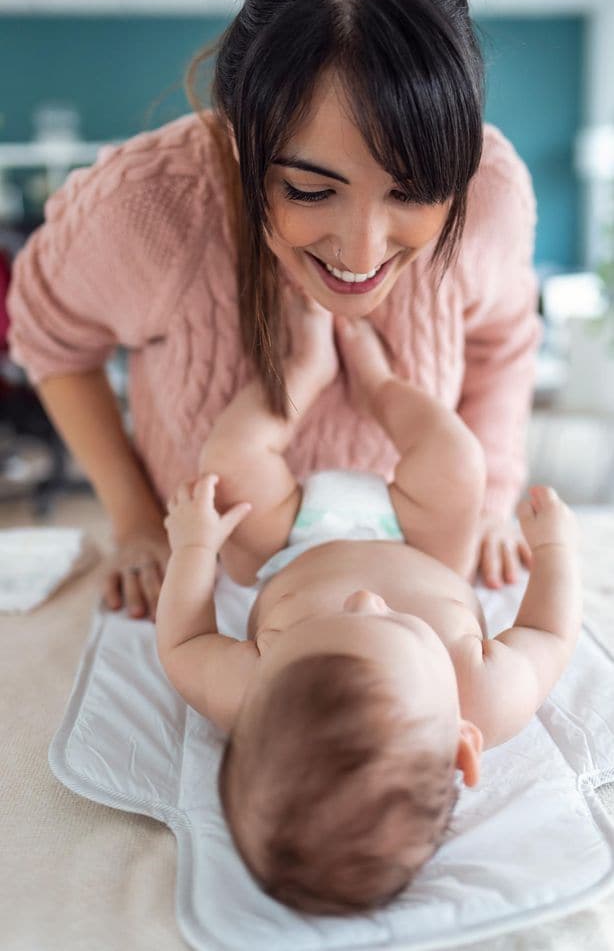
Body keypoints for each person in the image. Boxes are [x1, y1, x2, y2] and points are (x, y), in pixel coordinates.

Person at [7, 0, 540, 620]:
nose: (360, 254)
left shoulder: (490, 191)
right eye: (312, 191)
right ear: (241, 135)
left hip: (410, 579)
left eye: (410, 193)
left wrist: (494, 501)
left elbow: (503, 343)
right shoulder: (145, 209)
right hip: (222, 572)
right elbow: (52, 339)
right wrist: (136, 519)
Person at [155, 292, 581, 916]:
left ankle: (305, 371)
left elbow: (183, 643)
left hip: (284, 541)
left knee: (229, 461)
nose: (363, 599)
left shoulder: (253, 695)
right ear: (464, 745)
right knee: (458, 459)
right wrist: (556, 552)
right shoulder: (489, 696)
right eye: (397, 625)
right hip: (424, 539)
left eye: (328, 623)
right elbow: (548, 631)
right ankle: (381, 386)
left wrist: (194, 547)